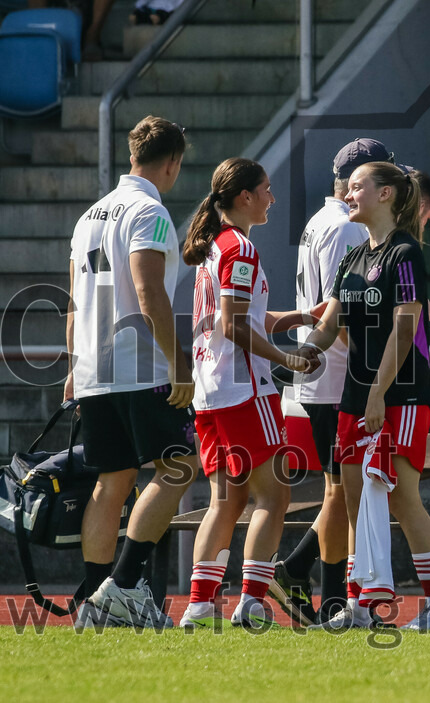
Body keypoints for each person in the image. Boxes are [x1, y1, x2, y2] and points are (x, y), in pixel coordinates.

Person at [299, 162, 430, 631]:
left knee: (402, 497)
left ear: (386, 194)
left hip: (400, 396)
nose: (348, 192)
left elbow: (406, 327)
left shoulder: (405, 253)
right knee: (351, 499)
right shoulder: (353, 257)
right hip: (354, 396)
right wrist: (302, 353)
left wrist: (378, 393)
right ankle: (359, 605)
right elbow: (331, 323)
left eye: (359, 185)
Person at [70, 116, 199, 630]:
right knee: (180, 466)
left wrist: (74, 368)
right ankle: (121, 586)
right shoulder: (150, 210)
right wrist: (178, 363)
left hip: (93, 364)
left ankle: (95, 603)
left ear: (131, 157)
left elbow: (74, 302)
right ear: (171, 163)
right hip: (139, 365)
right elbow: (150, 294)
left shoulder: (88, 216)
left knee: (112, 481)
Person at [178, 158, 317, 629]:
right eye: (266, 190)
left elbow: (242, 318)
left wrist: (296, 318)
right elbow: (235, 325)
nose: (271, 198)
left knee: (227, 501)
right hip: (243, 390)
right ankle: (252, 601)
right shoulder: (239, 248)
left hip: (211, 391)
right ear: (244, 197)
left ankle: (199, 605)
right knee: (274, 498)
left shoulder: (217, 246)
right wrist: (288, 360)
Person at [269, 139, 390, 628]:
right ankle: (316, 583)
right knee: (343, 491)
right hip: (337, 377)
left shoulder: (322, 221)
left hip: (321, 377)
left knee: (338, 491)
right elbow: (345, 310)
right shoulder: (344, 227)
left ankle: (326, 592)